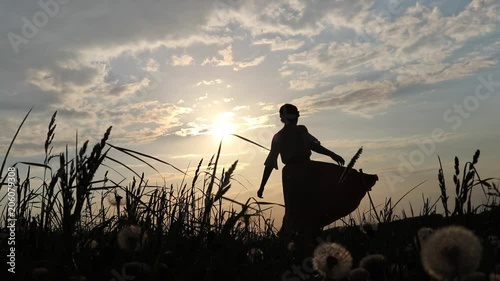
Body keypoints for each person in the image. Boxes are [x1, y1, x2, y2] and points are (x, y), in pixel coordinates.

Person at [257, 104, 345, 256]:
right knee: (309, 206)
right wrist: (332, 154)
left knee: (294, 209)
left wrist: (262, 186)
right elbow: (313, 146)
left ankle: (294, 244)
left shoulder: (279, 136)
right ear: (296, 117)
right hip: (305, 171)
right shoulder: (299, 131)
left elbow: (270, 162)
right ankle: (304, 243)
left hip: (293, 174)